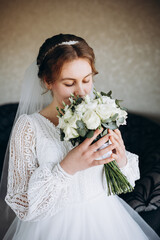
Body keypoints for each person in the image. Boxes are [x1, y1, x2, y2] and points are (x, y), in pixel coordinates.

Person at [0, 33, 159, 240]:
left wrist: (120, 160)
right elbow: (23, 206)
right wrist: (67, 168)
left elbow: (123, 184)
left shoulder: (100, 115)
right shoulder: (29, 127)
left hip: (107, 222)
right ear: (48, 81)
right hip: (52, 229)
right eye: (69, 83)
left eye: (87, 79)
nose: (82, 92)